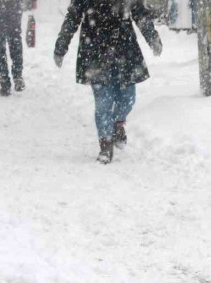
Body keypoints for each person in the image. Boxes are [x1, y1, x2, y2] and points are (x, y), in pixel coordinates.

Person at [53, 0, 162, 164]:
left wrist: (152, 37)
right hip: (94, 49)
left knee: (128, 98)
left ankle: (117, 123)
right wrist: (61, 46)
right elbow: (73, 17)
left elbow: (139, 11)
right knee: (103, 101)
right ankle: (105, 143)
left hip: (124, 47)